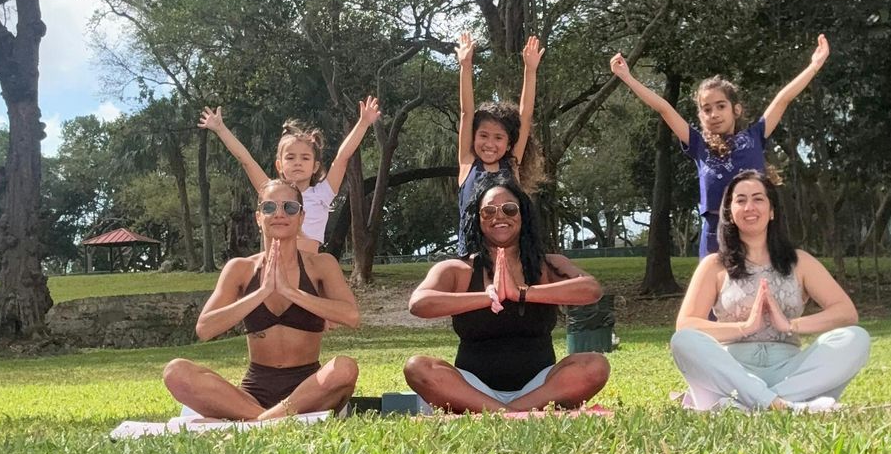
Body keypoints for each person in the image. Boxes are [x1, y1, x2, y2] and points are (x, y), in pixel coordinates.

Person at [608, 37, 830, 257]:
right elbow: (664, 109)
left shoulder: (755, 136)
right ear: (700, 115)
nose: (714, 114)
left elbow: (783, 99)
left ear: (736, 110)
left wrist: (814, 65)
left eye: (721, 106)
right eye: (707, 109)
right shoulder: (698, 145)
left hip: (756, 232)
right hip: (715, 235)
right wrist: (627, 77)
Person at [670, 170, 870, 412]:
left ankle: (757, 403)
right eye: (740, 200)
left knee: (856, 338)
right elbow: (686, 324)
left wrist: (790, 325)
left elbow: (846, 313)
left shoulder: (800, 262)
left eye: (758, 199)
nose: (749, 207)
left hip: (790, 369)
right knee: (683, 341)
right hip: (734, 371)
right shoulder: (714, 265)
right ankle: (786, 406)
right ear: (730, 213)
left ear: (772, 210)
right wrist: (744, 328)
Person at [404, 178, 610, 412]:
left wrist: (522, 293)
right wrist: (489, 297)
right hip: (472, 389)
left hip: (540, 387)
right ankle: (513, 414)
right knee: (417, 367)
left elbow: (591, 290)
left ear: (523, 215)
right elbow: (419, 303)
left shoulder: (548, 265)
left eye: (509, 209)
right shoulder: (458, 270)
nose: (499, 216)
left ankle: (503, 413)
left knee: (595, 365)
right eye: (489, 211)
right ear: (477, 218)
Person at [163, 179, 360, 420]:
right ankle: (270, 419)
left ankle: (258, 422)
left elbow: (351, 316)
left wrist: (292, 292)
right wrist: (261, 292)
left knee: (345, 368)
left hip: (308, 390)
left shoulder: (321, 264)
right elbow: (205, 328)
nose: (279, 214)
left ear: (301, 217)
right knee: (176, 372)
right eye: (269, 207)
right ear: (258, 217)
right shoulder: (240, 269)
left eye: (289, 207)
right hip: (253, 393)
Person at [199, 99, 380, 253]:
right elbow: (246, 161)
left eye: (305, 158)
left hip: (309, 270)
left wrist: (363, 123)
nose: (297, 162)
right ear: (279, 165)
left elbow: (342, 158)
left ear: (315, 166)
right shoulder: (271, 192)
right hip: (275, 270)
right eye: (290, 157)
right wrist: (221, 129)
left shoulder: (323, 193)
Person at [455, 31, 544, 253]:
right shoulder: (467, 163)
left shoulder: (511, 164)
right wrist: (465, 66)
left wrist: (530, 70)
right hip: (473, 255)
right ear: (474, 137)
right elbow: (466, 112)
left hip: (512, 254)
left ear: (509, 143)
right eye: (483, 135)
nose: (490, 144)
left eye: (498, 138)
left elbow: (525, 116)